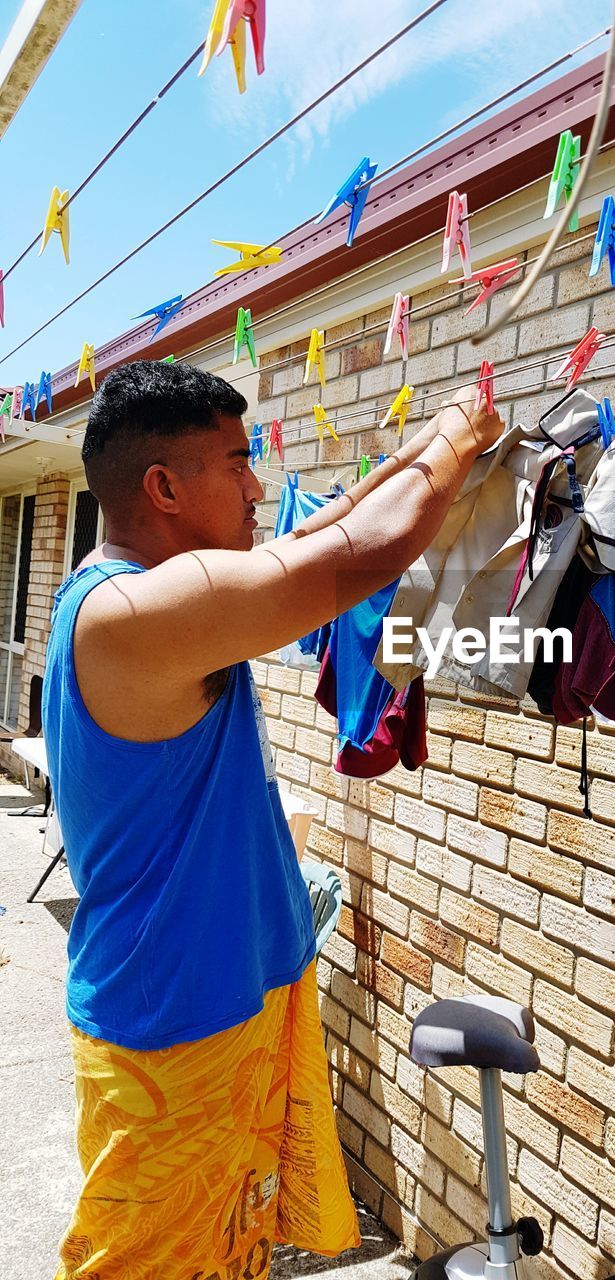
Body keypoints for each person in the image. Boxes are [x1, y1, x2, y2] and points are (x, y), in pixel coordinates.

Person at [42, 360, 503, 1279]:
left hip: (225, 997)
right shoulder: (129, 613)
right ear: (164, 487)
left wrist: (417, 452)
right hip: (173, 1023)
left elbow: (321, 532)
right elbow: (353, 556)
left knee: (232, 1249)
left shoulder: (163, 594)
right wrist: (460, 428)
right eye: (236, 462)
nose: (259, 487)